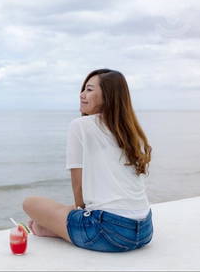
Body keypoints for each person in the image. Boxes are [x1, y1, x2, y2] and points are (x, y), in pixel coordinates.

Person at [23, 69, 154, 252]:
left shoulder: (80, 126)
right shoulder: (131, 132)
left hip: (109, 232)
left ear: (107, 96)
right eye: (83, 89)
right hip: (144, 230)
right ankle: (54, 228)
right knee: (64, 211)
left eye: (89, 90)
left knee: (30, 203)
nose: (82, 95)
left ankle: (52, 229)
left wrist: (67, 217)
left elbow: (79, 190)